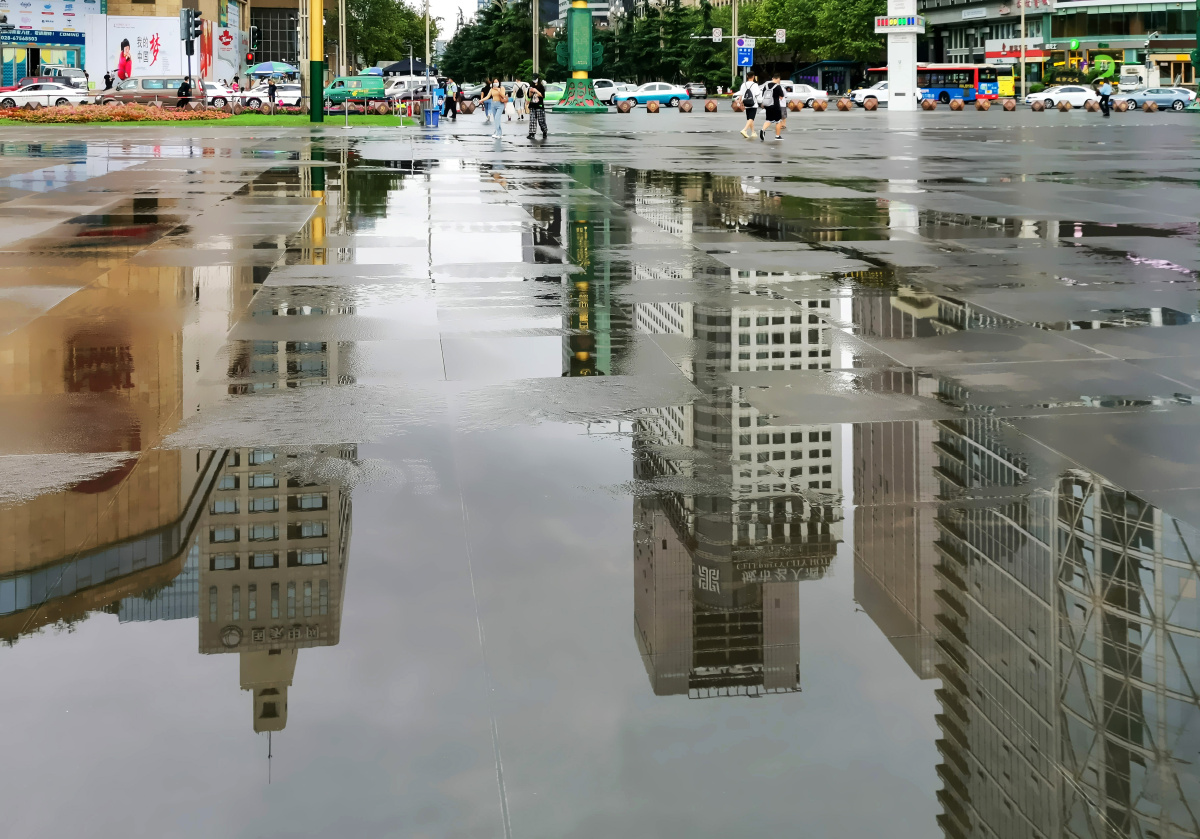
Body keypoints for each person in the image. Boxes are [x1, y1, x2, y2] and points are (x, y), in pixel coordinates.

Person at [760, 71, 785, 141]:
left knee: (768, 120)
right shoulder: (778, 86)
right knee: (778, 121)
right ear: (778, 79)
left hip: (767, 105)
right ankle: (777, 136)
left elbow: (763, 95)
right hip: (775, 106)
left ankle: (763, 130)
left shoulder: (766, 86)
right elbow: (781, 96)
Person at [735, 71, 761, 139]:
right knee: (751, 118)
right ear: (753, 77)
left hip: (746, 102)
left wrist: (740, 101)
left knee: (749, 118)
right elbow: (757, 93)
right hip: (753, 103)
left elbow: (741, 94)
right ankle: (744, 130)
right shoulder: (755, 85)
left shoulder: (744, 84)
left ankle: (753, 132)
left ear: (747, 76)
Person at [527, 74, 548, 140]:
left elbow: (542, 95)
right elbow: (529, 96)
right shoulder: (531, 86)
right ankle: (532, 133)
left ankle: (544, 131)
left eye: (535, 78)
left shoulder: (541, 86)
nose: (534, 80)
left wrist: (536, 91)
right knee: (532, 120)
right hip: (532, 105)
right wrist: (531, 91)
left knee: (541, 120)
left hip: (539, 105)